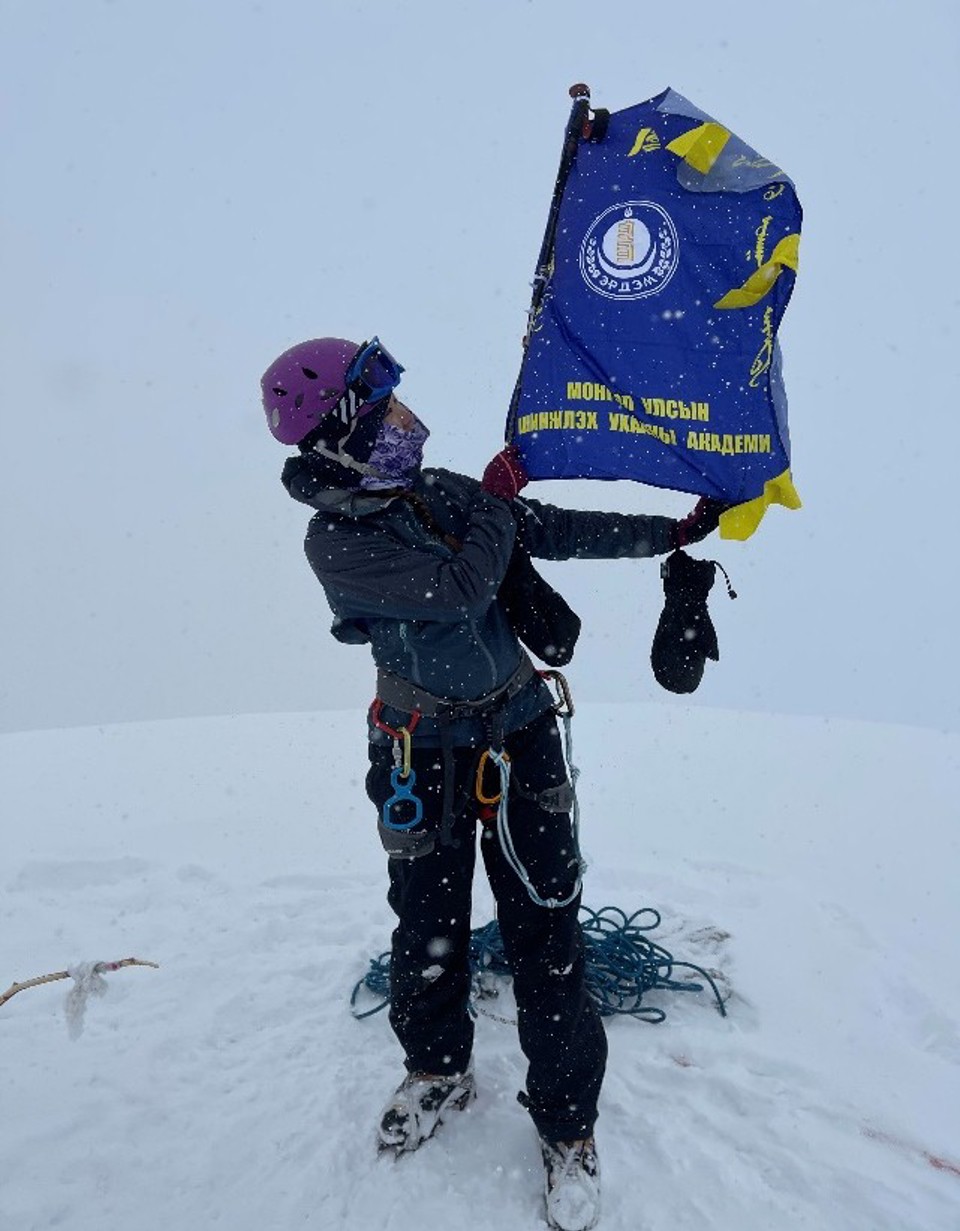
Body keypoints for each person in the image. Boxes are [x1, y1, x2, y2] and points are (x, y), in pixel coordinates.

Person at [261, 336, 723, 1231]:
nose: (403, 416)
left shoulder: (448, 495)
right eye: (383, 405)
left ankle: (568, 1126)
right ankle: (437, 1068)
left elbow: (550, 529)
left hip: (519, 735)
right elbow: (457, 587)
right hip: (419, 751)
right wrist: (497, 509)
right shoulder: (335, 542)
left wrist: (669, 532)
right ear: (342, 433)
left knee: (546, 927)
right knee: (428, 924)